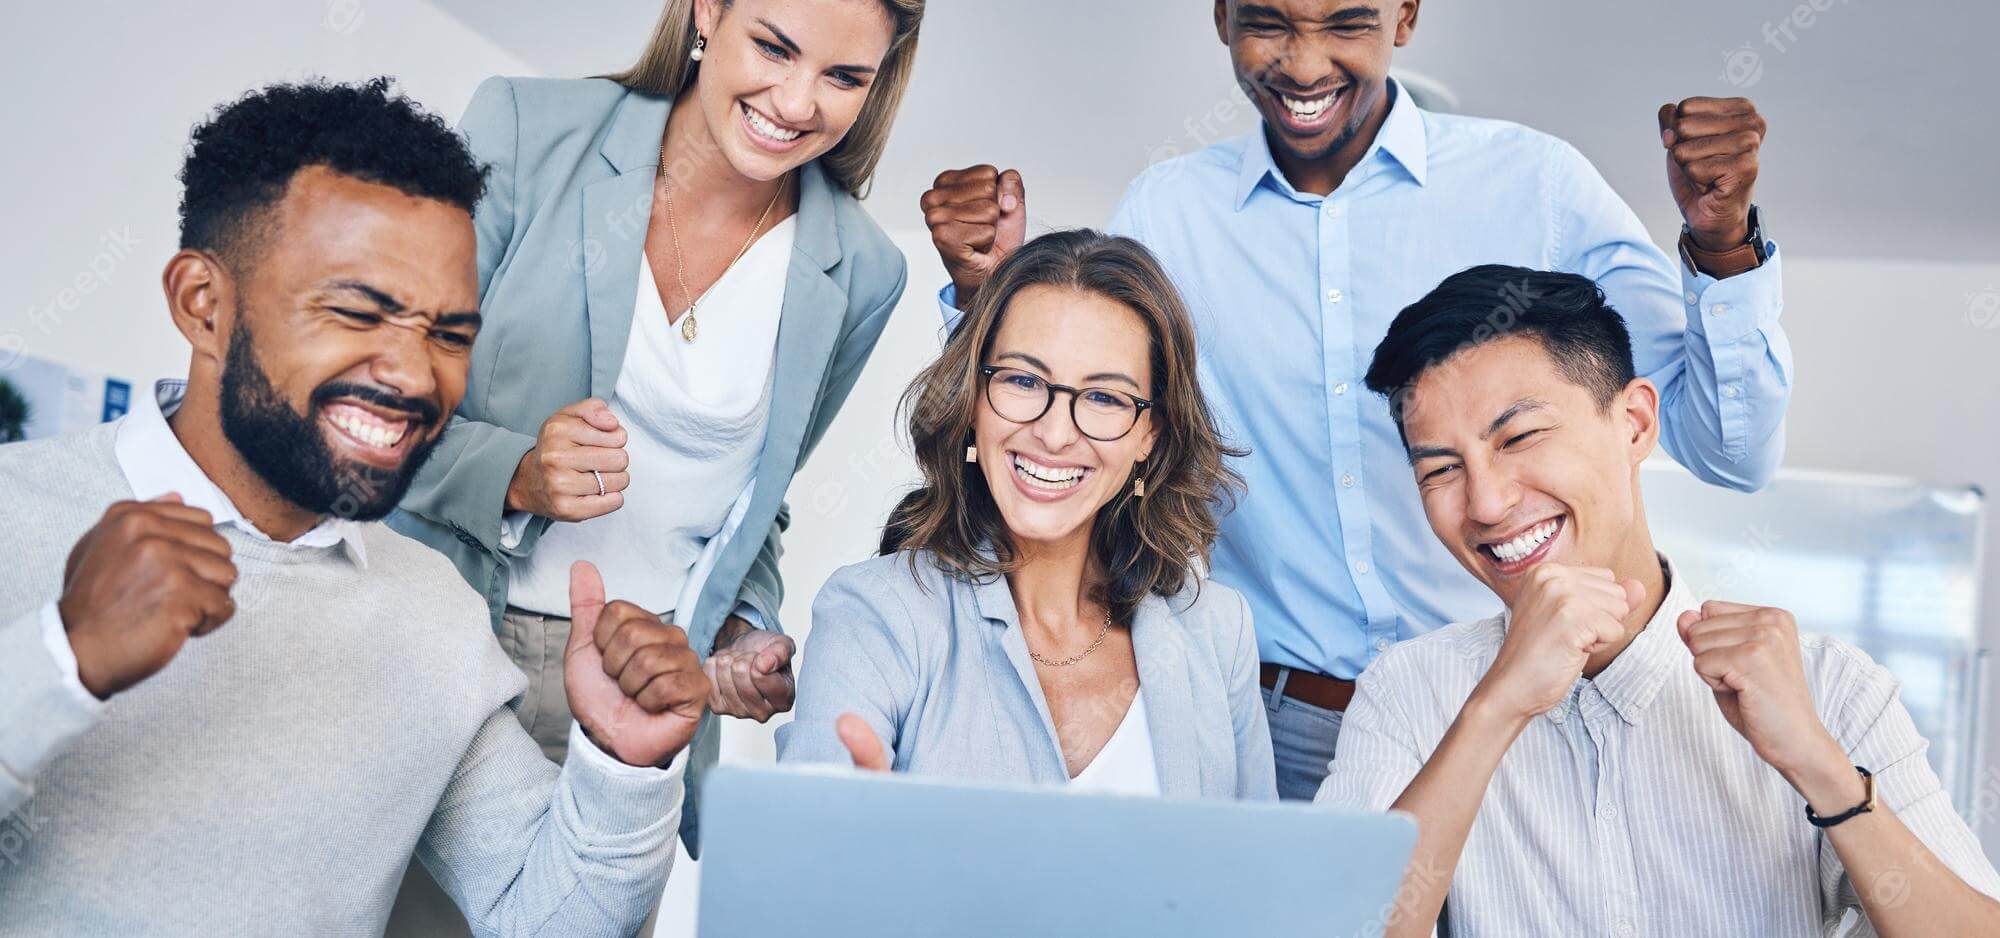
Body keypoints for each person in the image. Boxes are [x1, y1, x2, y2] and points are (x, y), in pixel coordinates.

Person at [920, 0, 1794, 799]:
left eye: (1346, 23)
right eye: (1270, 22)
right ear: (1222, 18)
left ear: (1405, 16)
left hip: (1525, 706)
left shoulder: (1536, 184)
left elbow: (1728, 449)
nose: (1303, 66)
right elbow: (1072, 440)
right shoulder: (1169, 212)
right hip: (1284, 732)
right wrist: (983, 297)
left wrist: (1722, 249)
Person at [0, 79, 711, 936]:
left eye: (449, 334)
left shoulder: (432, 614)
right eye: (355, 312)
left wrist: (623, 769)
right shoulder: (16, 514)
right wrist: (59, 660)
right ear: (203, 305)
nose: (415, 377)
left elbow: (549, 921)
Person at [1314, 265, 2000, 936]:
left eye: (1519, 438)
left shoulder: (1834, 689)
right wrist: (1497, 706)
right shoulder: (1404, 694)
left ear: (1637, 424)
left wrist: (1821, 768)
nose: (1487, 504)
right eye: (1441, 469)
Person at [386, 0, 923, 850]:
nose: (794, 102)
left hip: (636, 698)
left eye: (843, 76)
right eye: (774, 48)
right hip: (432, 647)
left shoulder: (862, 269)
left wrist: (740, 632)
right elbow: (369, 409)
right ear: (708, 11)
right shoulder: (523, 131)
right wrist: (514, 474)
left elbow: (756, 509)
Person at [777, 231, 1275, 800]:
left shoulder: (1217, 629)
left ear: (1149, 435)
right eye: (1021, 380)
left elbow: (1256, 880)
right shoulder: (875, 615)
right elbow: (805, 863)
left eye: (1105, 398)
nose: (1055, 434)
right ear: (972, 400)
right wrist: (856, 844)